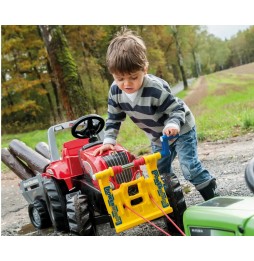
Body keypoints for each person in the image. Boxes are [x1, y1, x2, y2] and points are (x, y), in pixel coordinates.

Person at [94, 28, 219, 201]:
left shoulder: (154, 89)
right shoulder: (115, 92)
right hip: (159, 138)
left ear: (144, 69)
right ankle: (173, 206)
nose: (127, 83)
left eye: (133, 77)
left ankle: (213, 197)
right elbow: (114, 118)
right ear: (112, 73)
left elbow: (176, 109)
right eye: (120, 78)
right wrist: (109, 141)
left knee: (189, 167)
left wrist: (173, 124)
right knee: (159, 173)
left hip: (181, 128)